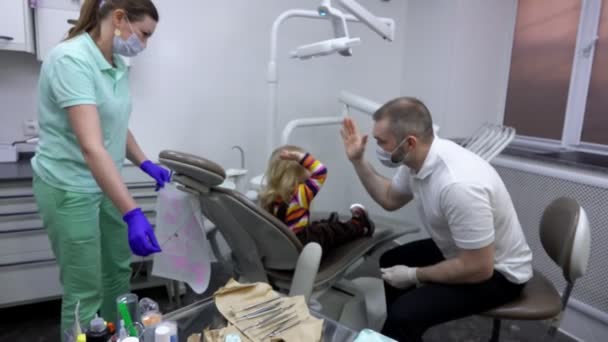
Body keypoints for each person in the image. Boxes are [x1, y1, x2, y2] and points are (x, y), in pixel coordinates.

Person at [340, 97, 533, 341]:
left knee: (404, 314)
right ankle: (403, 334)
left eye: (381, 142)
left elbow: (479, 268)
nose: (377, 147)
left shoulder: (457, 185)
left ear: (409, 142)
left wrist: (413, 275)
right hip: (464, 252)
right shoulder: (415, 161)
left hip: (499, 273)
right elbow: (389, 198)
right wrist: (357, 160)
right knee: (391, 260)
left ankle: (401, 326)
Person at [31, 0, 168, 339]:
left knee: (117, 274)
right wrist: (132, 212)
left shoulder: (118, 63)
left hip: (103, 183)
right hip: (68, 186)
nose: (144, 45)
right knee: (84, 287)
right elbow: (92, 146)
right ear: (120, 19)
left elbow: (115, 126)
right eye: (144, 34)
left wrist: (145, 162)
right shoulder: (71, 60)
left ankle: (115, 335)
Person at [259, 145, 375, 252]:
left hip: (286, 247)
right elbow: (321, 171)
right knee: (330, 232)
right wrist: (301, 157)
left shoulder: (270, 197)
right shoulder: (299, 194)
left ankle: (329, 223)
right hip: (302, 245)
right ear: (297, 171)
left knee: (315, 226)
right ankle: (359, 224)